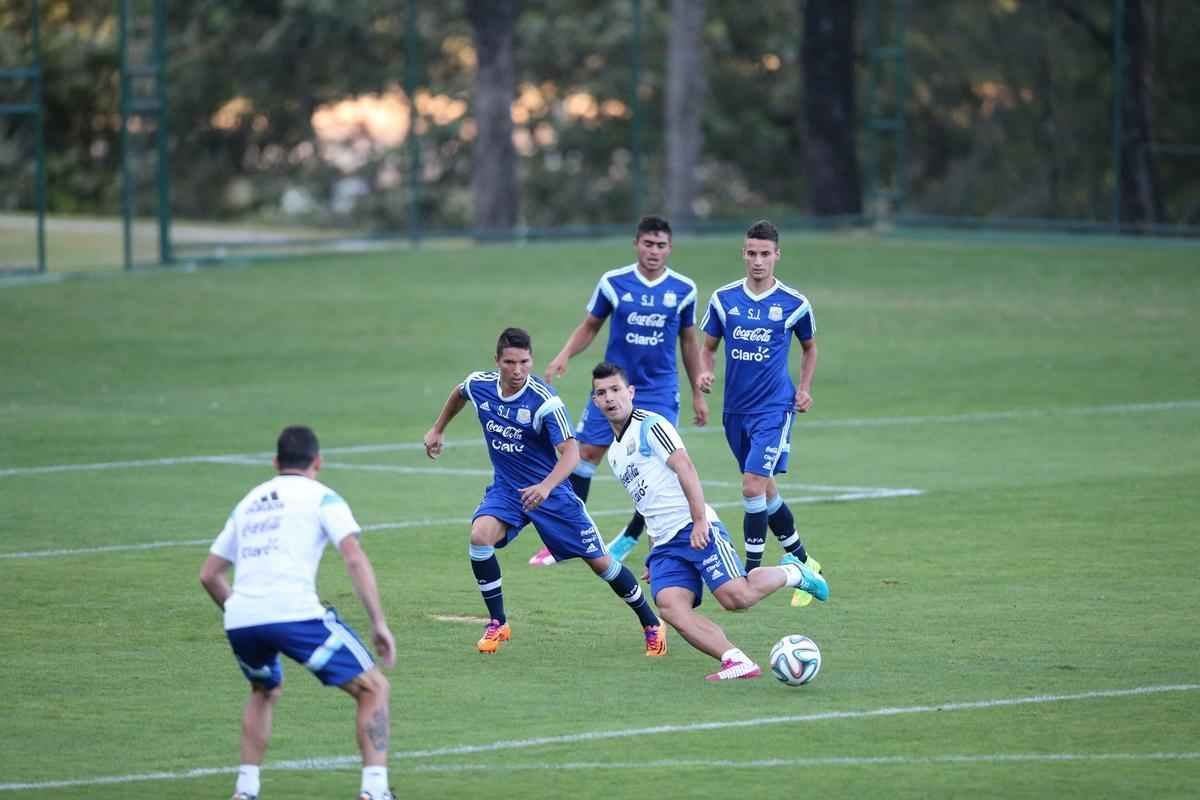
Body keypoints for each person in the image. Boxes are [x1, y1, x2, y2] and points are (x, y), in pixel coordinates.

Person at [423, 327, 667, 656]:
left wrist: (546, 487)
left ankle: (651, 623)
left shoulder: (544, 401)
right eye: (510, 362)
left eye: (524, 362)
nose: (518, 370)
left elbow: (571, 453)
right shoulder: (480, 385)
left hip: (552, 494)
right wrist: (438, 429)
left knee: (601, 564)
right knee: (480, 537)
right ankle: (498, 622)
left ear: (532, 360)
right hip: (508, 490)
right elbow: (460, 392)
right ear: (497, 361)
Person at [590, 361, 828, 680]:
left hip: (693, 527)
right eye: (601, 393)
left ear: (630, 392)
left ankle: (795, 572)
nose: (610, 398)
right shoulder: (614, 454)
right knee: (670, 606)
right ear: (595, 401)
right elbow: (646, 503)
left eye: (616, 389)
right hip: (664, 544)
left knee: (737, 598)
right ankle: (735, 660)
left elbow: (685, 467)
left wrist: (700, 520)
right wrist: (652, 550)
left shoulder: (651, 425)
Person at [199, 425, 397, 800]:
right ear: (318, 462)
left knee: (263, 689)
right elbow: (353, 557)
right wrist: (379, 623)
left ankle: (245, 790)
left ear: (276, 462)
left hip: (241, 619)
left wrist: (246, 610)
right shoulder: (323, 497)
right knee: (374, 688)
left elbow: (209, 575)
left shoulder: (248, 502)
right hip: (295, 614)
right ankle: (375, 791)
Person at [530, 214, 709, 567]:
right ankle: (569, 536)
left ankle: (630, 537)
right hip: (611, 387)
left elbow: (689, 342)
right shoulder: (614, 283)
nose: (654, 251)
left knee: (659, 462)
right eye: (648, 244)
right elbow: (590, 326)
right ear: (636, 244)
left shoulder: (683, 289)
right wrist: (564, 355)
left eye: (661, 245)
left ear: (670, 248)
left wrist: (697, 393)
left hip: (659, 389)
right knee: (585, 454)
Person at [697, 219, 824, 607]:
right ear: (743, 254)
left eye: (765, 254)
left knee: (752, 486)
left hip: (774, 408)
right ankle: (804, 564)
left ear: (776, 256)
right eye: (751, 253)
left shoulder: (794, 303)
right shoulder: (724, 300)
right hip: (735, 411)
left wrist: (804, 389)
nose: (757, 260)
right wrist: (704, 372)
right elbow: (708, 348)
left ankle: (749, 572)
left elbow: (810, 348)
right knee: (766, 490)